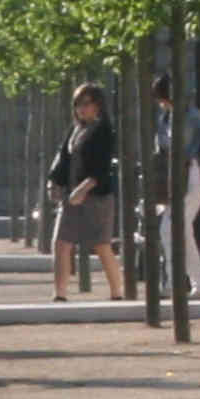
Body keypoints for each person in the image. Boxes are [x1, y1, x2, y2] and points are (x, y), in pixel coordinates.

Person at [47, 82, 118, 297]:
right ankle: (59, 293)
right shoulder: (75, 129)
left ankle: (117, 291)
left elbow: (102, 168)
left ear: (98, 105)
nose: (82, 108)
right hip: (71, 196)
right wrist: (54, 181)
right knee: (61, 242)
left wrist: (84, 188)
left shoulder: (104, 131)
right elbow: (63, 158)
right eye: (78, 103)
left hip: (96, 196)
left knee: (101, 245)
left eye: (87, 103)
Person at [149, 72, 200, 291]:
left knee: (171, 228)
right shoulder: (165, 118)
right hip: (174, 176)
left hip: (190, 174)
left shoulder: (193, 117)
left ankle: (177, 281)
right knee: (180, 230)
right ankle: (195, 282)